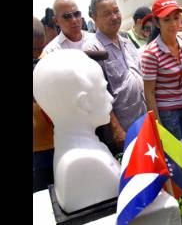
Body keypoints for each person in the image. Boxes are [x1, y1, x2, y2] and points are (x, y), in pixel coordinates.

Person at [33, 49, 121, 213]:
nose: (110, 98)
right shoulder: (85, 162)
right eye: (103, 90)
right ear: (84, 102)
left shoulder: (72, 149)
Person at [84, 0, 147, 153]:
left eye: (116, 11)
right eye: (107, 14)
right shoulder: (92, 49)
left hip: (144, 118)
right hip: (124, 128)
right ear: (94, 18)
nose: (114, 17)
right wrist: (117, 129)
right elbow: (99, 94)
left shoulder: (126, 40)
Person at [142, 0, 182, 140]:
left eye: (176, 18)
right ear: (157, 23)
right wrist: (157, 124)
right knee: (178, 156)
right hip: (167, 113)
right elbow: (149, 93)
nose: (173, 24)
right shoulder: (151, 53)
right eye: (166, 20)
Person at [33, 17, 55, 193]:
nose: (37, 53)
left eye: (40, 47)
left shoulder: (47, 59)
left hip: (58, 141)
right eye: (34, 49)